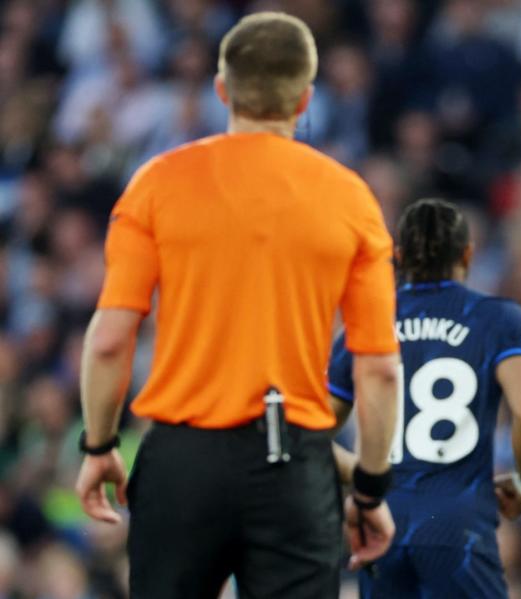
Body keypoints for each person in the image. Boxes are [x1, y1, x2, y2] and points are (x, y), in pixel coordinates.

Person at [73, 13, 400, 598]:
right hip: (293, 462)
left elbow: (108, 338)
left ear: (222, 89)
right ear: (304, 100)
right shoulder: (350, 198)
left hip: (181, 459)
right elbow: (377, 368)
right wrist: (370, 487)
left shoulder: (158, 183)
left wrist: (99, 445)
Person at [327, 198, 521, 598]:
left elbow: (308, 434)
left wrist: (367, 473)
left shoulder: (366, 325)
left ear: (398, 256)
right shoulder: (498, 319)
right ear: (467, 253)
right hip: (458, 527)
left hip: (382, 523)